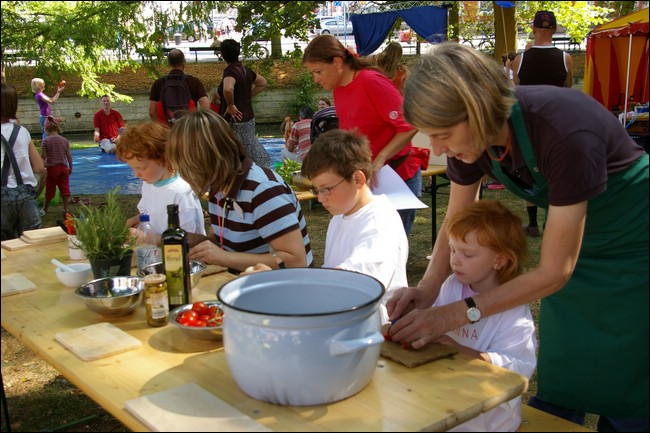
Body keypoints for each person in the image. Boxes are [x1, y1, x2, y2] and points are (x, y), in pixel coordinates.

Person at [388, 42, 648, 431]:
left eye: (442, 135)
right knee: (568, 357)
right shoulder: (470, 145)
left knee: (630, 365)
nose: (438, 149)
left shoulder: (564, 129)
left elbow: (555, 270)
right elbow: (456, 218)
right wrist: (428, 288)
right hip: (577, 237)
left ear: (476, 111)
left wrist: (454, 313)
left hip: (635, 241)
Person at [245, 129, 408, 323]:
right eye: (317, 190)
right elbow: (330, 276)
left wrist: (279, 286)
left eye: (326, 189)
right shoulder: (341, 215)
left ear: (357, 179)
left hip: (373, 328)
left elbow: (348, 287)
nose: (321, 198)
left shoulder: (379, 224)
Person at [165, 109, 313, 273]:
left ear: (207, 159)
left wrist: (223, 257)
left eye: (185, 166)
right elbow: (224, 242)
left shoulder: (263, 190)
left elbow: (296, 260)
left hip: (285, 290)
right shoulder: (219, 187)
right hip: (242, 284)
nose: (184, 174)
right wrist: (197, 241)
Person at [303, 34, 421, 237]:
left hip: (396, 178)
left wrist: (380, 159)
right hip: (367, 181)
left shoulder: (370, 81)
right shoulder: (339, 88)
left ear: (337, 62)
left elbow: (410, 124)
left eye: (318, 71)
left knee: (389, 246)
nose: (316, 79)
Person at [433, 200, 536, 431]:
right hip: (446, 399)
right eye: (452, 249)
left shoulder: (513, 308)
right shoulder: (451, 285)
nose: (455, 260)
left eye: (467, 254)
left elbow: (518, 369)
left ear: (499, 259)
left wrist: (461, 351)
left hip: (491, 419)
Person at [511, 11, 574, 237]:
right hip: (557, 125)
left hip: (528, 126)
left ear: (533, 29)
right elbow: (567, 87)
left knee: (529, 173)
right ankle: (552, 221)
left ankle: (533, 223)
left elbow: (516, 88)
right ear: (555, 30)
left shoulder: (520, 60)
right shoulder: (566, 58)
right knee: (555, 172)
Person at [116, 122, 206, 244]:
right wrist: (129, 222)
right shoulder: (149, 183)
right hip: (157, 252)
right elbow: (149, 213)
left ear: (164, 159)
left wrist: (147, 238)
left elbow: (189, 239)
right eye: (133, 168)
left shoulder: (180, 192)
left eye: (141, 168)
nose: (137, 174)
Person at [218, 39, 272, 167]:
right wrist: (247, 96)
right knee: (250, 144)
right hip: (248, 115)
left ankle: (264, 169)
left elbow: (228, 88)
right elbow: (262, 83)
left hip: (235, 119)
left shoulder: (230, 71)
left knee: (236, 149)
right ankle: (265, 169)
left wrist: (231, 105)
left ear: (222, 54)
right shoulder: (245, 70)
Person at [1, 83, 45, 240]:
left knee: (4, 250)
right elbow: (40, 167)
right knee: (32, 245)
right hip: (25, 196)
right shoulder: (22, 132)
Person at [148, 48, 209, 124]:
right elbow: (205, 106)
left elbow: (152, 112)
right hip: (188, 128)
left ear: (168, 63)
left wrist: (161, 129)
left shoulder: (158, 83)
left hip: (167, 130)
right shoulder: (193, 82)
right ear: (184, 62)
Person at [40, 116, 72, 216]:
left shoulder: (46, 141)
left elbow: (44, 156)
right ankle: (65, 208)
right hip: (64, 168)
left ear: (46, 128)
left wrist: (41, 163)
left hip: (52, 168)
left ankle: (45, 209)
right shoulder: (64, 140)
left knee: (50, 189)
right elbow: (68, 155)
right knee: (64, 188)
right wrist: (70, 167)